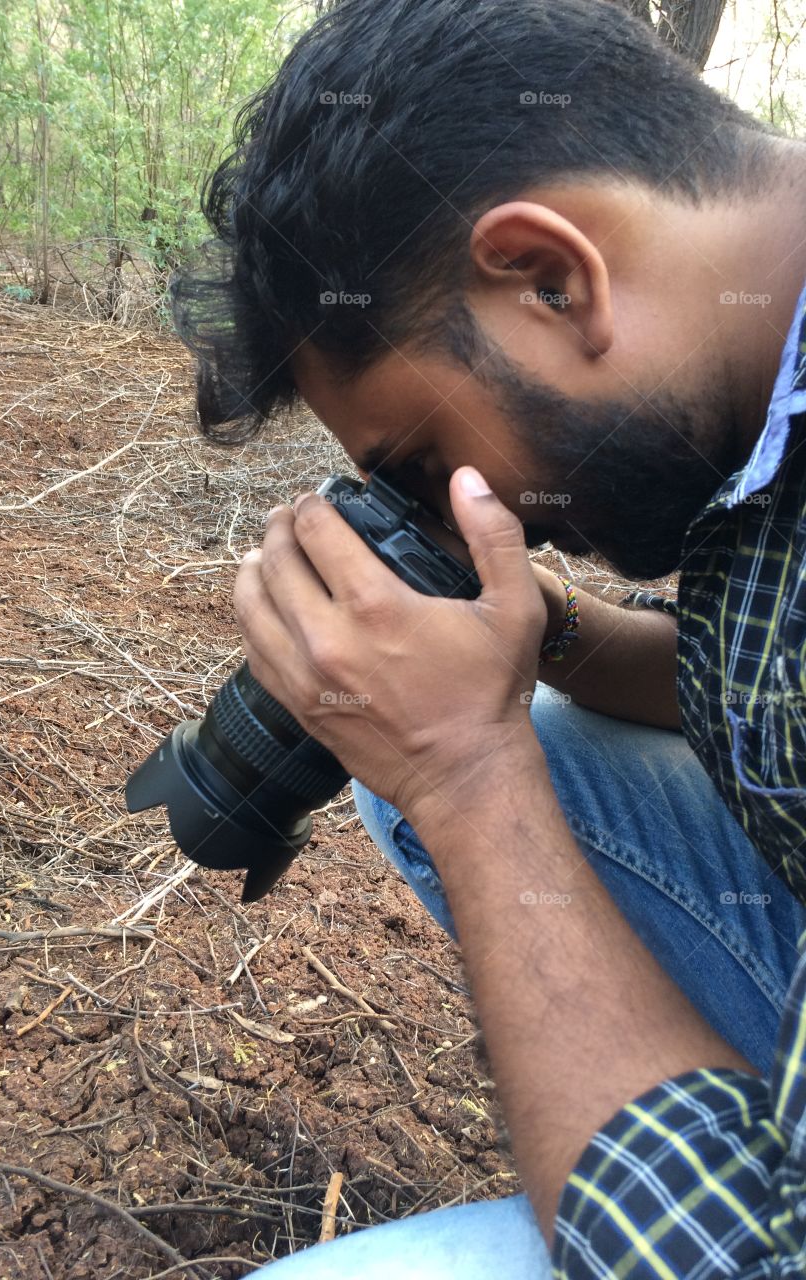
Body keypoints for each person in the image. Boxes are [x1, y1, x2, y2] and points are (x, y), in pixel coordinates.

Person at [169, 0, 806, 1274]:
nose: (442, 507)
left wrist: (469, 766)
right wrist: (545, 632)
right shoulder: (755, 401)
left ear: (551, 275)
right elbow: (753, 680)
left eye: (423, 458)